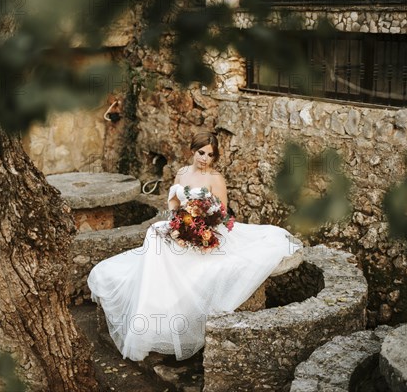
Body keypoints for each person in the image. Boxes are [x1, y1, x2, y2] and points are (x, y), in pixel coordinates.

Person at [87, 131, 301, 361]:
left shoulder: (215, 179)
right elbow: (175, 204)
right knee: (154, 234)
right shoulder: (181, 173)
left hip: (207, 231)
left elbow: (222, 214)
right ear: (192, 150)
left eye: (210, 155)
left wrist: (198, 229)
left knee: (175, 252)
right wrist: (178, 222)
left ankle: (162, 315)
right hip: (183, 225)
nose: (204, 158)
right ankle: (150, 312)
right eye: (201, 152)